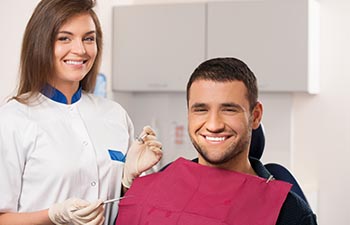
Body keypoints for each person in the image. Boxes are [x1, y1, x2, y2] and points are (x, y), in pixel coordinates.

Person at [0, 0, 162, 225]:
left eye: (88, 38)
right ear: (41, 43)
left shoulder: (114, 114)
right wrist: (53, 215)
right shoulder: (12, 120)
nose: (81, 50)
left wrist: (128, 180)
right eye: (64, 38)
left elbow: (127, 208)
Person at [115, 57, 317, 225]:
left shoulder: (289, 213)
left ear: (255, 116)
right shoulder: (166, 179)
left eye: (229, 109)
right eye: (201, 109)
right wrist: (129, 186)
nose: (213, 125)